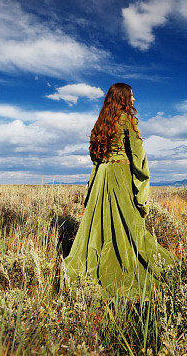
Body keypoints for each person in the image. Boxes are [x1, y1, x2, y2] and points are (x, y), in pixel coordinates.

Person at [61, 83, 173, 296]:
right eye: (131, 96)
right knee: (131, 227)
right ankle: (123, 269)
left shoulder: (101, 122)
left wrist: (94, 183)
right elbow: (138, 157)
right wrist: (142, 194)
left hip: (101, 178)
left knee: (98, 228)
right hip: (120, 176)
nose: (134, 100)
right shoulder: (127, 120)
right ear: (123, 98)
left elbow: (94, 156)